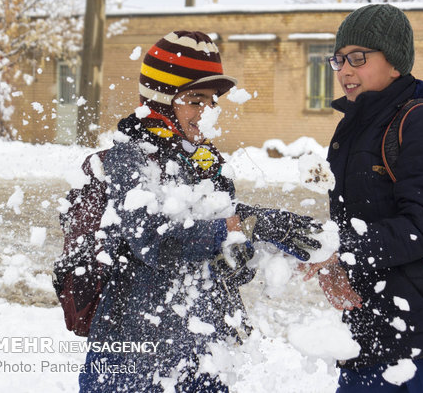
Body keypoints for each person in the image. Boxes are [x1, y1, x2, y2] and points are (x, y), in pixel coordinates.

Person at [78, 31, 321, 393]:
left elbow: (224, 258)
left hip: (203, 352)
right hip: (136, 356)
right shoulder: (127, 160)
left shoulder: (208, 163)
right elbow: (155, 242)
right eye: (194, 99)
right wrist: (243, 225)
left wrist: (243, 254)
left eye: (212, 101)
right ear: (161, 101)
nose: (206, 112)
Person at [304, 5, 423, 392]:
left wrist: (338, 250)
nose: (345, 70)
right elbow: (354, 222)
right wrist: (335, 263)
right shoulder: (353, 128)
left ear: (395, 64)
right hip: (371, 325)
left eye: (359, 57)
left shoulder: (422, 121)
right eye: (339, 59)